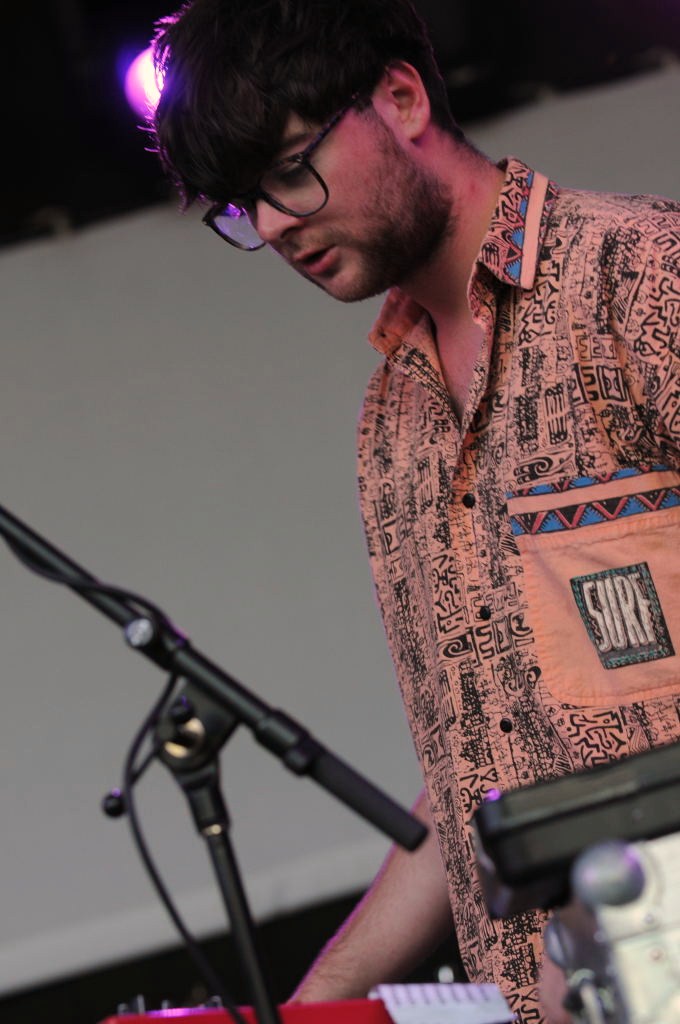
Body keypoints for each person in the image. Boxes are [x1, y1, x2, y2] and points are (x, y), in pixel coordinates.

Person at [150, 1, 680, 1020]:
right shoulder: (392, 420)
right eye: (240, 206)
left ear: (399, 98)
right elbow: (474, 773)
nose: (271, 224)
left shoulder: (644, 280)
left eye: (287, 170)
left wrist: (634, 913)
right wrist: (309, 1010)